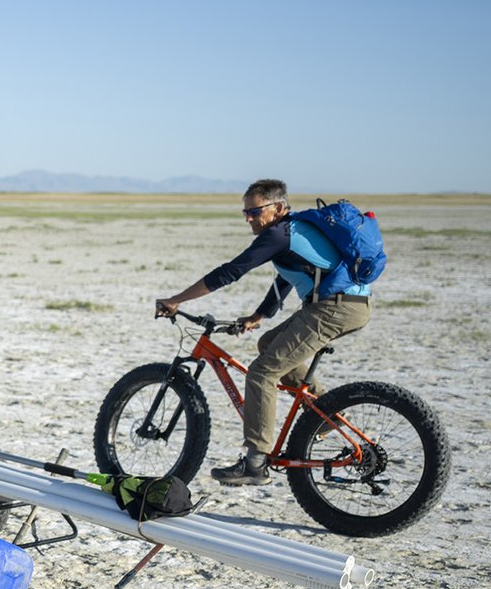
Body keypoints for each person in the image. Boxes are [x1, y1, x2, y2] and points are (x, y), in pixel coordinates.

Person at [157, 178, 372, 486]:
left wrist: (176, 300)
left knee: (262, 373)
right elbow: (290, 276)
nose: (248, 218)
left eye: (254, 211)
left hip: (335, 307)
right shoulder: (292, 233)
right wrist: (259, 315)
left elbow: (230, 272)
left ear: (279, 208)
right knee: (268, 343)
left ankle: (255, 463)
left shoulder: (279, 234)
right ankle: (326, 417)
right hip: (338, 304)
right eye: (245, 212)